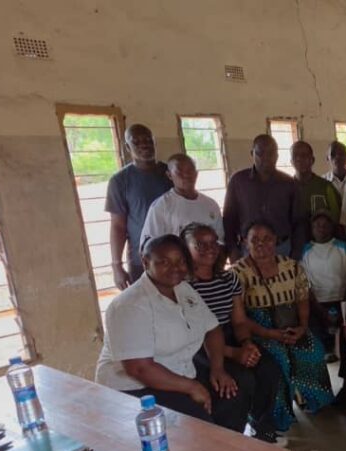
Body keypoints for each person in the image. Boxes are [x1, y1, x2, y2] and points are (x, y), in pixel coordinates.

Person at [96, 235, 246, 428]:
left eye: (180, 261)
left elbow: (212, 329)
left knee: (233, 392)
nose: (175, 268)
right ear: (146, 262)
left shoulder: (183, 289)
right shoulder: (129, 305)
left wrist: (218, 369)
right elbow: (139, 369)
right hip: (135, 388)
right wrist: (192, 387)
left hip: (180, 372)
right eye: (164, 262)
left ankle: (228, 444)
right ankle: (208, 445)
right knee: (196, 422)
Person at [181, 223, 280, 441]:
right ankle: (230, 438)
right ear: (186, 248)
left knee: (269, 369)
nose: (210, 248)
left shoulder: (228, 279)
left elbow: (239, 321)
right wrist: (234, 354)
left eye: (213, 242)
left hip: (229, 336)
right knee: (240, 380)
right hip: (199, 346)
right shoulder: (182, 286)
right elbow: (193, 335)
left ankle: (262, 427)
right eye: (200, 244)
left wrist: (246, 344)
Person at [231, 221, 334, 432]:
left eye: (267, 239)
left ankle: (313, 401)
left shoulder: (291, 266)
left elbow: (302, 299)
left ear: (276, 241)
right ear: (245, 243)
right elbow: (239, 318)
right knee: (280, 359)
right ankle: (278, 416)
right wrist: (269, 333)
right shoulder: (237, 272)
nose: (261, 244)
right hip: (257, 330)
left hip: (289, 324)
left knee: (314, 349)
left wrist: (303, 327)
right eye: (255, 240)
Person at [106, 124, 172, 288]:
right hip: (141, 260)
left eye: (148, 140)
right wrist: (116, 266)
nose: (144, 144)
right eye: (136, 142)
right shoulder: (120, 181)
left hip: (176, 256)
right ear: (127, 147)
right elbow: (118, 226)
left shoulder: (170, 173)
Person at [224, 135, 302, 260]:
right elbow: (229, 219)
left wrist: (296, 252)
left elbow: (298, 222)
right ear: (252, 153)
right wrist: (232, 250)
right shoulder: (238, 181)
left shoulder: (288, 183)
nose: (266, 158)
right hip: (248, 251)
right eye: (260, 153)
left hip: (282, 249)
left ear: (277, 155)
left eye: (271, 153)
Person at [301, 211, 346, 383]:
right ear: (311, 229)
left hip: (341, 300)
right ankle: (320, 383)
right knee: (314, 341)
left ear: (332, 228)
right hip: (317, 303)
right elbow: (306, 286)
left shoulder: (345, 248)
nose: (321, 229)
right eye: (317, 226)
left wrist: (343, 308)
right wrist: (321, 311)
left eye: (325, 225)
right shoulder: (305, 250)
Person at [140, 154, 223, 250]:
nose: (186, 175)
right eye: (179, 172)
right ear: (169, 175)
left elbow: (220, 241)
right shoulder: (161, 206)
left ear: (196, 173)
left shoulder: (211, 205)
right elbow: (150, 246)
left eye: (190, 171)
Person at [292, 141, 342, 236]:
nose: (299, 159)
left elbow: (336, 219)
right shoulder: (287, 188)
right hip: (296, 241)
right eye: (295, 156)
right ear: (291, 161)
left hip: (322, 242)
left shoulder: (326, 187)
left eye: (304, 156)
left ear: (312, 160)